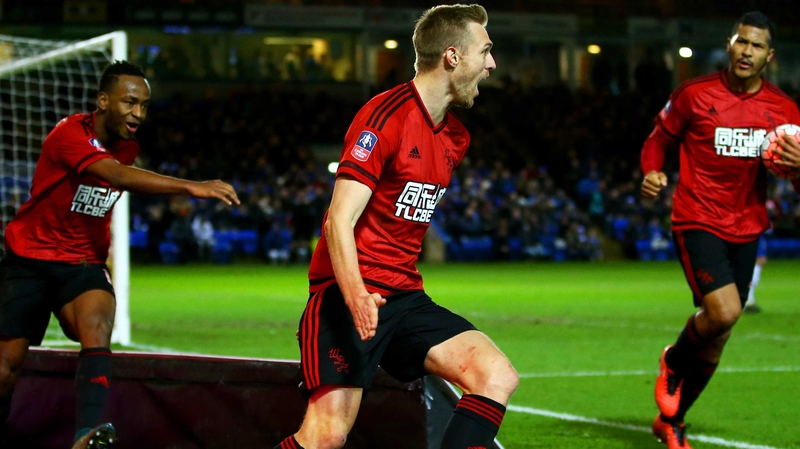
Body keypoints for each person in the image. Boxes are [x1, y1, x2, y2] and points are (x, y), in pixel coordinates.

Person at [274, 5, 518, 449]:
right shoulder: (384, 116)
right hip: (346, 296)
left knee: (496, 375)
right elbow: (338, 220)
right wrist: (357, 298)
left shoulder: (456, 137)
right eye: (485, 51)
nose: (491, 64)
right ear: (452, 56)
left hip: (404, 296)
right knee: (325, 437)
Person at [0, 61, 239, 449]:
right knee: (5, 369)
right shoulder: (68, 134)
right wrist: (194, 186)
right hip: (30, 260)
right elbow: (115, 177)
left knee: (97, 328)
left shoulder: (128, 146)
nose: (138, 113)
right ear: (103, 101)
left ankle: (85, 437)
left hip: (81, 265)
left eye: (144, 105)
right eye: (130, 103)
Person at [639, 12, 800, 449]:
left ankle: (672, 421)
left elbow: (795, 177)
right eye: (741, 42)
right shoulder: (695, 95)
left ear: (770, 56)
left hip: (747, 227)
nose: (747, 51)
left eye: (757, 46)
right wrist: (652, 171)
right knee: (726, 312)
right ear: (730, 44)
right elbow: (657, 139)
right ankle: (673, 361)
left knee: (718, 334)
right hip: (697, 218)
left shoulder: (784, 111)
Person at [744, 235, 768, 313]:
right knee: (759, 260)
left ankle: (749, 300)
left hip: (754, 231)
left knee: (760, 260)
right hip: (747, 232)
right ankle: (747, 301)